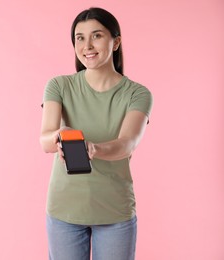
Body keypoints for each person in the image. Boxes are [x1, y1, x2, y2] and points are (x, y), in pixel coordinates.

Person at [40, 7, 153, 260]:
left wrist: (95, 148)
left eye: (97, 36)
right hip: (64, 211)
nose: (87, 45)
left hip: (114, 212)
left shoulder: (137, 94)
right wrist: (59, 135)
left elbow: (128, 143)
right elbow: (45, 140)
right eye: (80, 38)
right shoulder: (59, 85)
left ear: (116, 42)